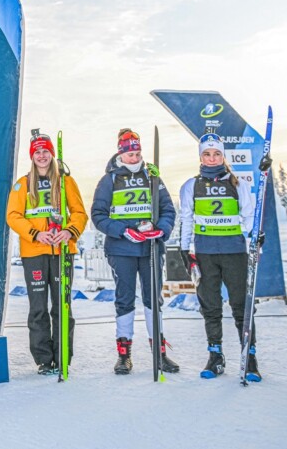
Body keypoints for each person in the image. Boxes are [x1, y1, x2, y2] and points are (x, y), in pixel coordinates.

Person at [91, 128, 179, 375]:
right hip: (122, 249)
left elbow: (168, 210)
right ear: (121, 153)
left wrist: (160, 230)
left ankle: (159, 353)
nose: (135, 158)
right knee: (125, 299)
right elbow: (98, 215)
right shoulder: (109, 180)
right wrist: (123, 231)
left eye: (138, 153)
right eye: (130, 154)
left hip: (150, 247)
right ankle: (124, 355)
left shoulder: (152, 176)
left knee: (154, 299)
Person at [6, 132, 88, 375]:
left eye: (45, 151)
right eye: (37, 152)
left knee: (62, 306)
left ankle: (63, 356)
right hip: (35, 252)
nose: (42, 156)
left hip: (62, 250)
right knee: (38, 308)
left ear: (52, 154)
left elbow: (80, 213)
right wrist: (35, 234)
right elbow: (13, 216)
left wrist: (69, 232)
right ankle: (44, 359)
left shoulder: (65, 182)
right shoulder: (22, 184)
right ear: (32, 156)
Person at [179, 133, 258, 380]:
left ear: (223, 156)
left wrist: (255, 240)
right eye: (207, 154)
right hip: (205, 254)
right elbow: (186, 219)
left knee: (241, 306)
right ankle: (215, 356)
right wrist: (184, 250)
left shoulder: (238, 184)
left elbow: (249, 217)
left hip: (234, 252)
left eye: (216, 154)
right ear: (200, 157)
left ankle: (249, 357)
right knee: (210, 307)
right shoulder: (191, 186)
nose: (212, 158)